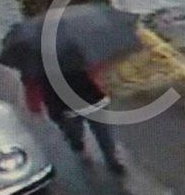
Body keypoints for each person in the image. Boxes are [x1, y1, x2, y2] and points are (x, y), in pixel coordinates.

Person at [22, 43, 124, 174]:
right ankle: (99, 154)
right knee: (94, 133)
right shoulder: (75, 44)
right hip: (78, 102)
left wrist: (35, 108)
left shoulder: (33, 58)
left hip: (73, 103)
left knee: (95, 133)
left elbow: (31, 85)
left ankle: (106, 157)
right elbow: (32, 84)